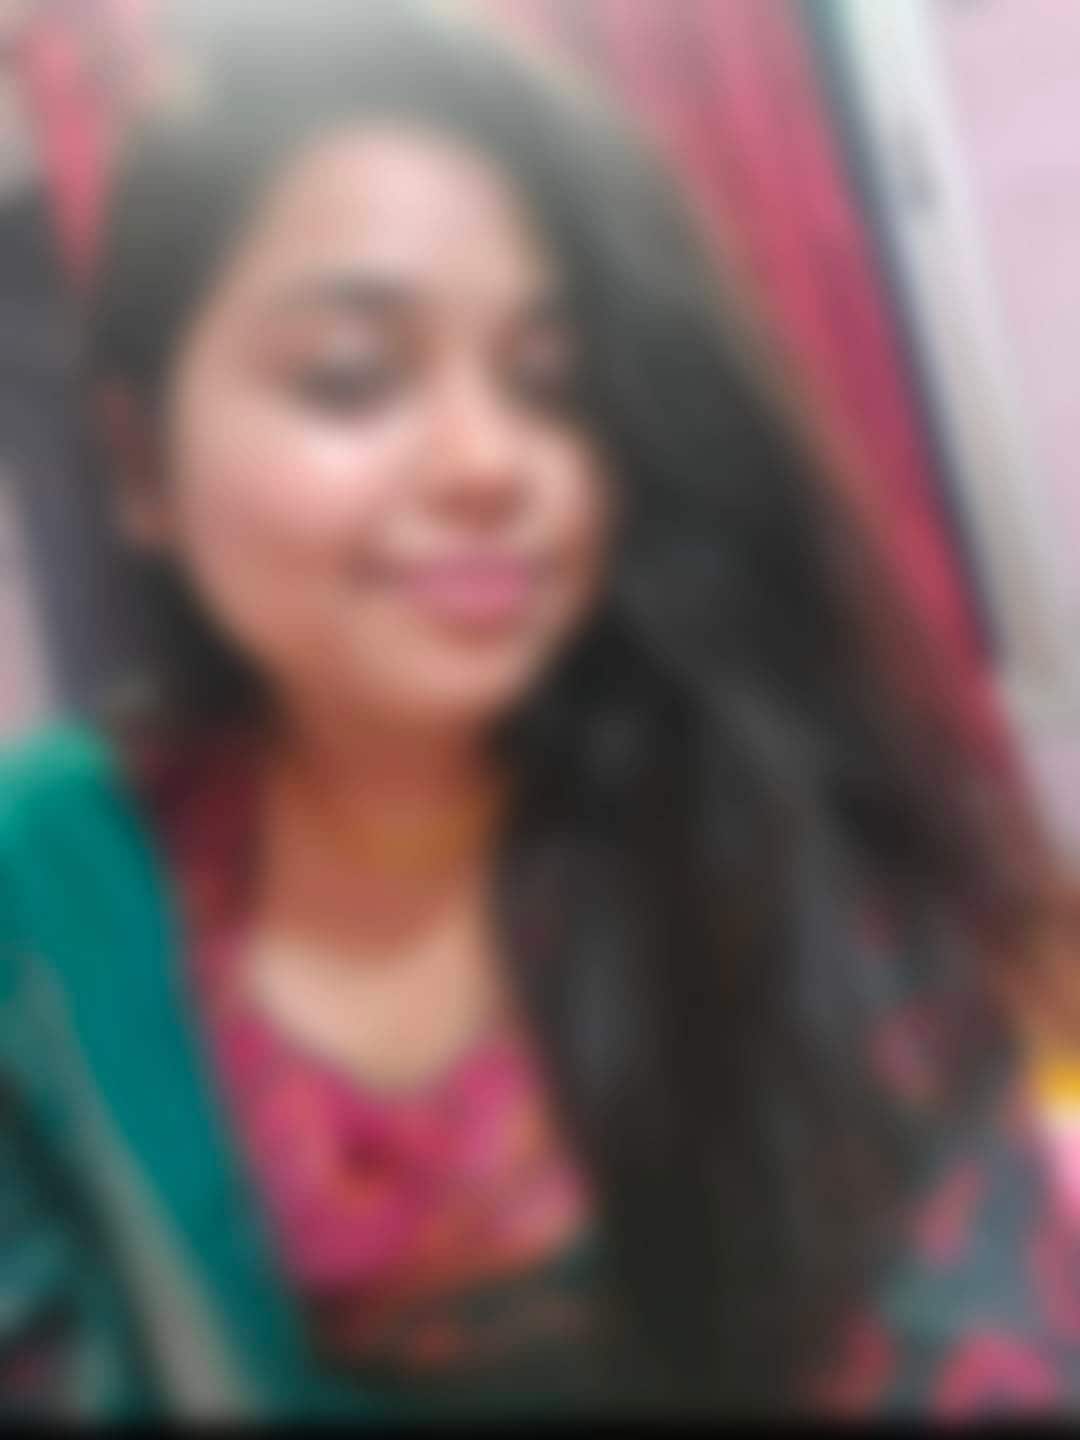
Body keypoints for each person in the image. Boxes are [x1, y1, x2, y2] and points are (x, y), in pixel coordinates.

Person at [1, 0, 1076, 1420]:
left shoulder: (766, 818)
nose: (490, 462)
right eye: (350, 376)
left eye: (553, 386)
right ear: (140, 462)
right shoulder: (51, 890)